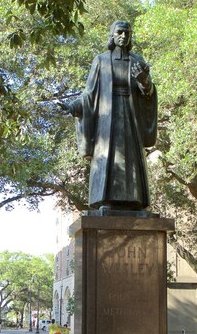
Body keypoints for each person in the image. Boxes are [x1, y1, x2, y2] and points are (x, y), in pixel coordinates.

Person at [62, 20, 158, 212]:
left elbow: (148, 93)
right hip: (107, 119)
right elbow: (90, 94)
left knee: (131, 157)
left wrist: (145, 83)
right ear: (112, 35)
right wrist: (73, 106)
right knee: (109, 157)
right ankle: (106, 198)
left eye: (127, 33)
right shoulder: (101, 60)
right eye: (120, 32)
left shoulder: (137, 61)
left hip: (131, 117)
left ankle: (135, 201)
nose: (124, 36)